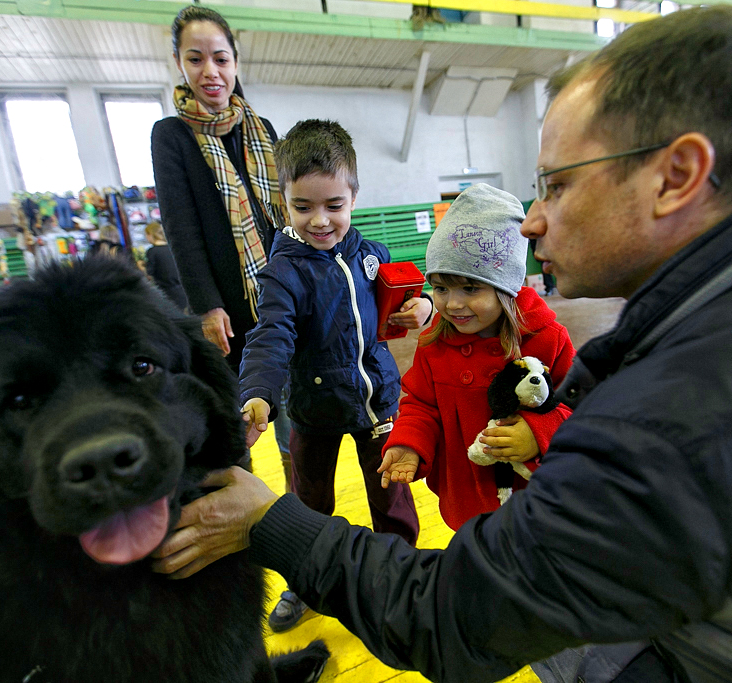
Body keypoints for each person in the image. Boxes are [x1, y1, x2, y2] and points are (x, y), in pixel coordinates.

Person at [152, 7, 732, 682]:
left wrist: (267, 522)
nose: (533, 222)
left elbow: (452, 621)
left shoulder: (667, 425)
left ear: (677, 176)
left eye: (556, 185)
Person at [238, 119, 430, 633]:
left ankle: (402, 577)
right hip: (313, 409)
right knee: (308, 503)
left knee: (392, 496)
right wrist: (257, 391)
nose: (319, 221)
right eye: (303, 207)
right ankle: (306, 584)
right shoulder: (283, 271)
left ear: (353, 196)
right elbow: (271, 335)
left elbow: (405, 296)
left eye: (333, 205)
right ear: (284, 203)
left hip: (377, 404)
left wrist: (423, 307)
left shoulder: (371, 254)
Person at [151, 4, 294, 488]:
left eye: (220, 58)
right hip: (226, 314)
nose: (210, 72)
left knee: (293, 418)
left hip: (279, 298)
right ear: (179, 64)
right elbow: (181, 227)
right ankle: (239, 513)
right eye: (196, 59)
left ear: (235, 62)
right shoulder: (172, 136)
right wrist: (207, 306)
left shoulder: (262, 130)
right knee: (237, 427)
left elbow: (284, 219)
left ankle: (303, 510)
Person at [378, 184, 575, 530]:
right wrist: (410, 444)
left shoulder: (547, 339)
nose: (452, 304)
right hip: (465, 502)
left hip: (538, 505)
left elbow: (580, 407)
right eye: (440, 288)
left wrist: (538, 433)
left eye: (470, 288)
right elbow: (421, 405)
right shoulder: (433, 343)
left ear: (507, 288)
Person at [143, 221, 188, 311]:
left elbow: (149, 273)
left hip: (165, 292)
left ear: (150, 235)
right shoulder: (172, 248)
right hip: (182, 291)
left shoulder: (152, 251)